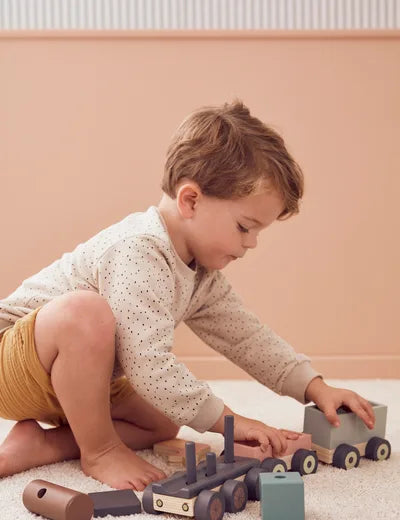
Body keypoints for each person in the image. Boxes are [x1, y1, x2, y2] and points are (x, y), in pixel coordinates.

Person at [0, 100, 375, 491]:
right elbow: (147, 363)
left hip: (74, 382)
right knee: (85, 312)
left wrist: (316, 387)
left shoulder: (201, 273)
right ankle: (100, 450)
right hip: (13, 361)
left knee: (164, 417)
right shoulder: (139, 248)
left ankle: (43, 444)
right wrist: (230, 422)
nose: (252, 244)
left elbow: (246, 337)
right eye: (245, 227)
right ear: (191, 200)